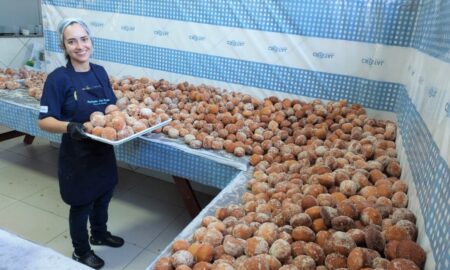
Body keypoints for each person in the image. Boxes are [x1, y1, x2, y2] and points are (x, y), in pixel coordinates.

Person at [38, 18, 123, 269]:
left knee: (104, 194)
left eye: (84, 39)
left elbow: (109, 103)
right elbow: (44, 120)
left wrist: (120, 112)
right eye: (72, 41)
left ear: (91, 42)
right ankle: (81, 251)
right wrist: (69, 127)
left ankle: (99, 233)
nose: (80, 46)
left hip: (103, 150)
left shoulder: (99, 71)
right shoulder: (58, 79)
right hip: (77, 155)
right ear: (64, 46)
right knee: (81, 203)